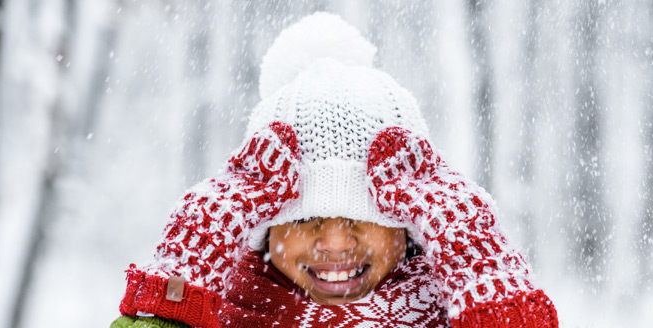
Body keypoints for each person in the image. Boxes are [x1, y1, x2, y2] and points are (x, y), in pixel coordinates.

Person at [110, 12, 558, 328]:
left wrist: (483, 265)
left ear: (410, 226)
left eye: (366, 218)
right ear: (266, 228)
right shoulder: (224, 315)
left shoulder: (456, 314)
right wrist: (177, 284)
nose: (337, 243)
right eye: (305, 219)